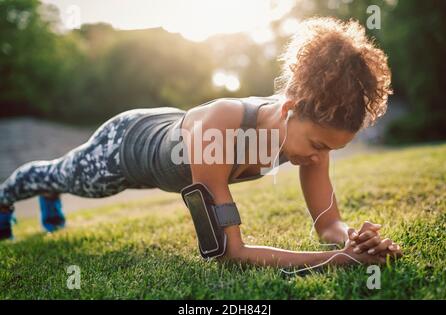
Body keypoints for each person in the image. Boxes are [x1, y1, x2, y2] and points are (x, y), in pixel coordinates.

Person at [0, 17, 402, 268]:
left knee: (63, 178)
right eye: (317, 145)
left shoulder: (311, 134)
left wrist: (352, 238)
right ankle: (9, 195)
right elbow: (228, 252)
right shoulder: (220, 126)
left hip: (168, 129)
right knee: (67, 176)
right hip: (124, 147)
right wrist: (338, 260)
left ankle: (48, 189)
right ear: (289, 109)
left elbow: (328, 223)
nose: (319, 158)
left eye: (330, 150)